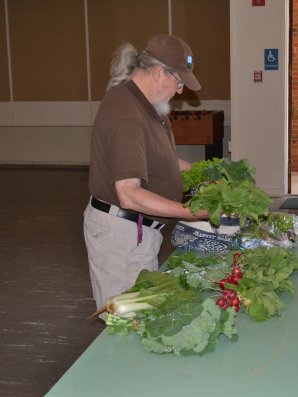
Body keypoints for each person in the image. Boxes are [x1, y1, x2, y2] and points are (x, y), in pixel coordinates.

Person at [84, 34, 208, 313]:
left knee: (144, 315)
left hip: (138, 233)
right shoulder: (126, 114)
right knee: (130, 322)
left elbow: (161, 159)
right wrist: (190, 212)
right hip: (121, 237)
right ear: (158, 74)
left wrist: (205, 173)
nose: (179, 91)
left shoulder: (150, 107)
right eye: (178, 82)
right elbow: (129, 194)